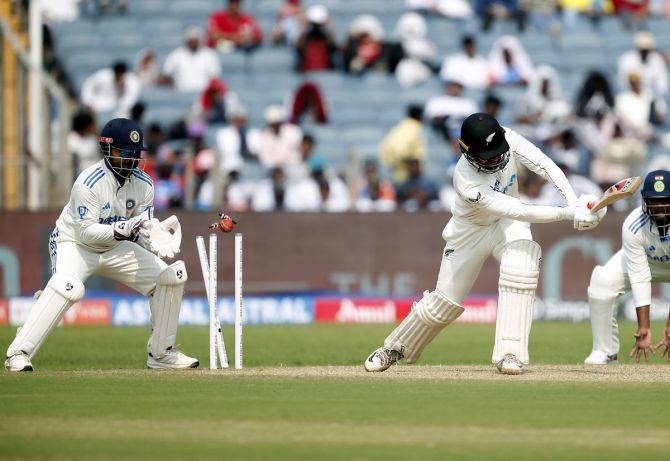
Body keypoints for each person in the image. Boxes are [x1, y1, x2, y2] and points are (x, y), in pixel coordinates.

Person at [364, 113, 606, 375]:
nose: (496, 159)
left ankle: (510, 354)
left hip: (506, 224)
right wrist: (569, 214)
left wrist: (573, 201)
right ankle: (393, 348)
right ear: (467, 152)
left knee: (522, 266)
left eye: (498, 153)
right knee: (442, 304)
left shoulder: (507, 137)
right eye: (487, 156)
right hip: (471, 231)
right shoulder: (466, 180)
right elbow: (519, 209)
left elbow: (543, 163)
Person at [4, 118, 198, 372]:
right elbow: (87, 233)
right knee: (68, 286)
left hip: (117, 246)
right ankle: (18, 353)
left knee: (171, 277)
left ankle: (161, 354)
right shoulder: (88, 183)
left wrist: (153, 235)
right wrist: (124, 228)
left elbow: (139, 229)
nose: (130, 161)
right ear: (109, 150)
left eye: (135, 155)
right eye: (125, 154)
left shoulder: (145, 184)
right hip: (74, 243)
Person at [585, 170, 670, 365]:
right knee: (602, 280)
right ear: (644, 201)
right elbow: (639, 276)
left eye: (666, 200)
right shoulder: (634, 224)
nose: (660, 206)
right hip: (646, 261)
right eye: (654, 201)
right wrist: (644, 328)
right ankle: (605, 352)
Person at [160, 27, 222, 93]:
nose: (193, 42)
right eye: (190, 39)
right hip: (180, 93)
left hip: (202, 94)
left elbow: (215, 76)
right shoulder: (176, 54)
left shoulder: (209, 55)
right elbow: (166, 73)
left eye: (195, 39)